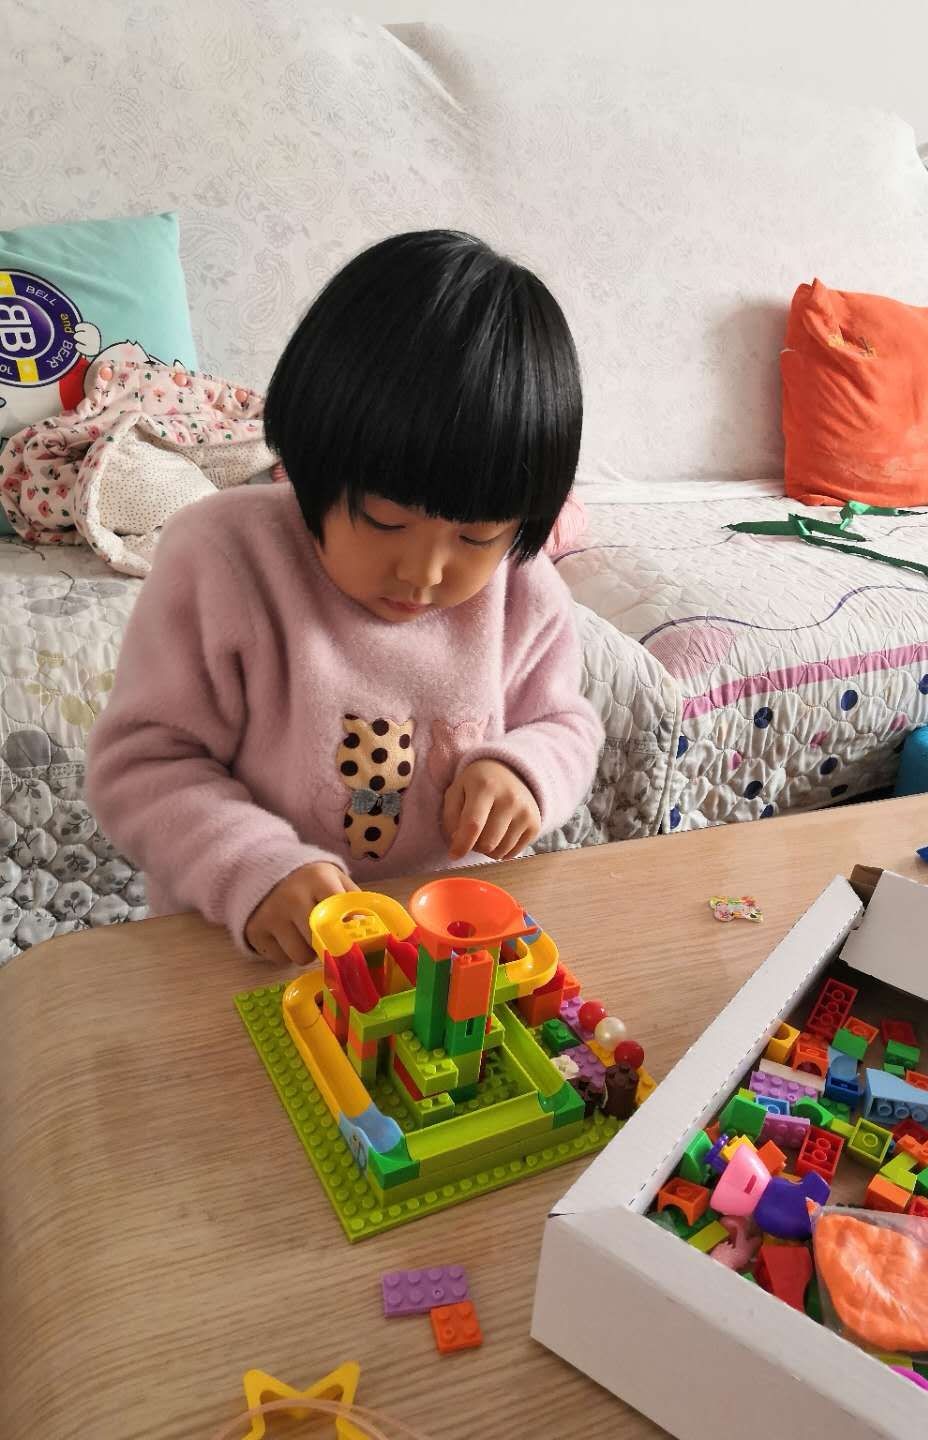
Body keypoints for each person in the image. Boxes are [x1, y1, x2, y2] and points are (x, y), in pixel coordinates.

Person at [87, 230, 602, 965]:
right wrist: (255, 866)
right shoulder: (224, 558)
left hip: (440, 951)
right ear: (312, 463)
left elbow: (564, 723)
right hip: (255, 941)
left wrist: (524, 768)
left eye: (477, 536)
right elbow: (142, 764)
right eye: (386, 521)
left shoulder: (524, 591)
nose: (424, 573)